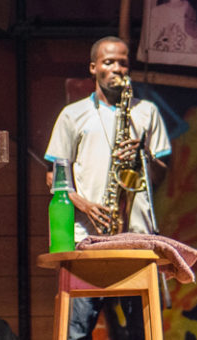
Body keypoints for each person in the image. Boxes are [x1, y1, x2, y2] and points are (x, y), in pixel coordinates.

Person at [44, 36, 171, 339]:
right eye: (108, 62)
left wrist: (144, 156)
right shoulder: (72, 115)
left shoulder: (147, 112)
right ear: (93, 67)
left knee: (142, 330)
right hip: (88, 236)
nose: (117, 68)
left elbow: (161, 175)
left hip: (136, 236)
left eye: (123, 62)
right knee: (77, 330)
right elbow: (53, 177)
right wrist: (85, 205)